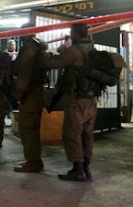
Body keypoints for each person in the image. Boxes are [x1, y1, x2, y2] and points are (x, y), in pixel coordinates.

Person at [42, 22, 95, 182]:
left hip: (77, 99)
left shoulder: (74, 52)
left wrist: (43, 51)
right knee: (87, 134)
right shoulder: (92, 49)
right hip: (91, 99)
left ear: (76, 35)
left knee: (72, 133)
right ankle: (86, 167)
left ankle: (78, 169)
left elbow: (53, 63)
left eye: (72, 33)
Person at [12, 23, 48, 172]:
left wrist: (19, 93)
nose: (19, 33)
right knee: (31, 128)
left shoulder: (29, 48)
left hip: (30, 93)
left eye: (21, 31)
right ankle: (35, 160)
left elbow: (25, 72)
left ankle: (32, 161)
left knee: (28, 129)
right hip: (35, 92)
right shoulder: (36, 46)